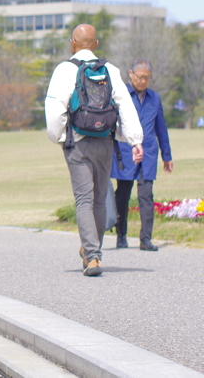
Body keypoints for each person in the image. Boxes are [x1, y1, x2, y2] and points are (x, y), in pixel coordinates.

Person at [45, 24, 143, 277]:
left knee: (84, 200)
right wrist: (135, 141)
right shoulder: (110, 70)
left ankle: (92, 256)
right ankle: (92, 251)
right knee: (99, 199)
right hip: (106, 141)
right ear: (96, 45)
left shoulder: (65, 70)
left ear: (72, 43)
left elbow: (55, 109)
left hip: (78, 142)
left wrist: (60, 137)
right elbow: (125, 106)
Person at [111, 59, 173, 251]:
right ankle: (121, 235)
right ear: (131, 74)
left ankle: (145, 239)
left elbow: (161, 128)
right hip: (126, 152)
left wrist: (167, 155)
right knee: (122, 195)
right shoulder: (121, 96)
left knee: (146, 195)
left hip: (148, 154)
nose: (143, 81)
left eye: (147, 78)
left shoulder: (154, 98)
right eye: (140, 77)